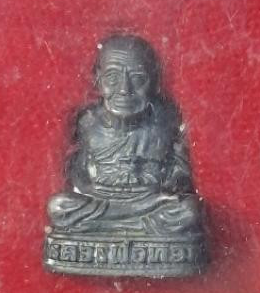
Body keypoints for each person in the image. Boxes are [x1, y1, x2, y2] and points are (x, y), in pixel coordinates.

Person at [47, 34, 203, 237]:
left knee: (188, 211)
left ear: (153, 82)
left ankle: (110, 228)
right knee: (59, 206)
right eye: (112, 77)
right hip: (101, 201)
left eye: (138, 79)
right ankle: (135, 227)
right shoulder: (87, 123)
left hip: (150, 201)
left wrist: (162, 184)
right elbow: (78, 173)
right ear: (97, 79)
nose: (124, 90)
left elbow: (178, 175)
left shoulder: (165, 122)